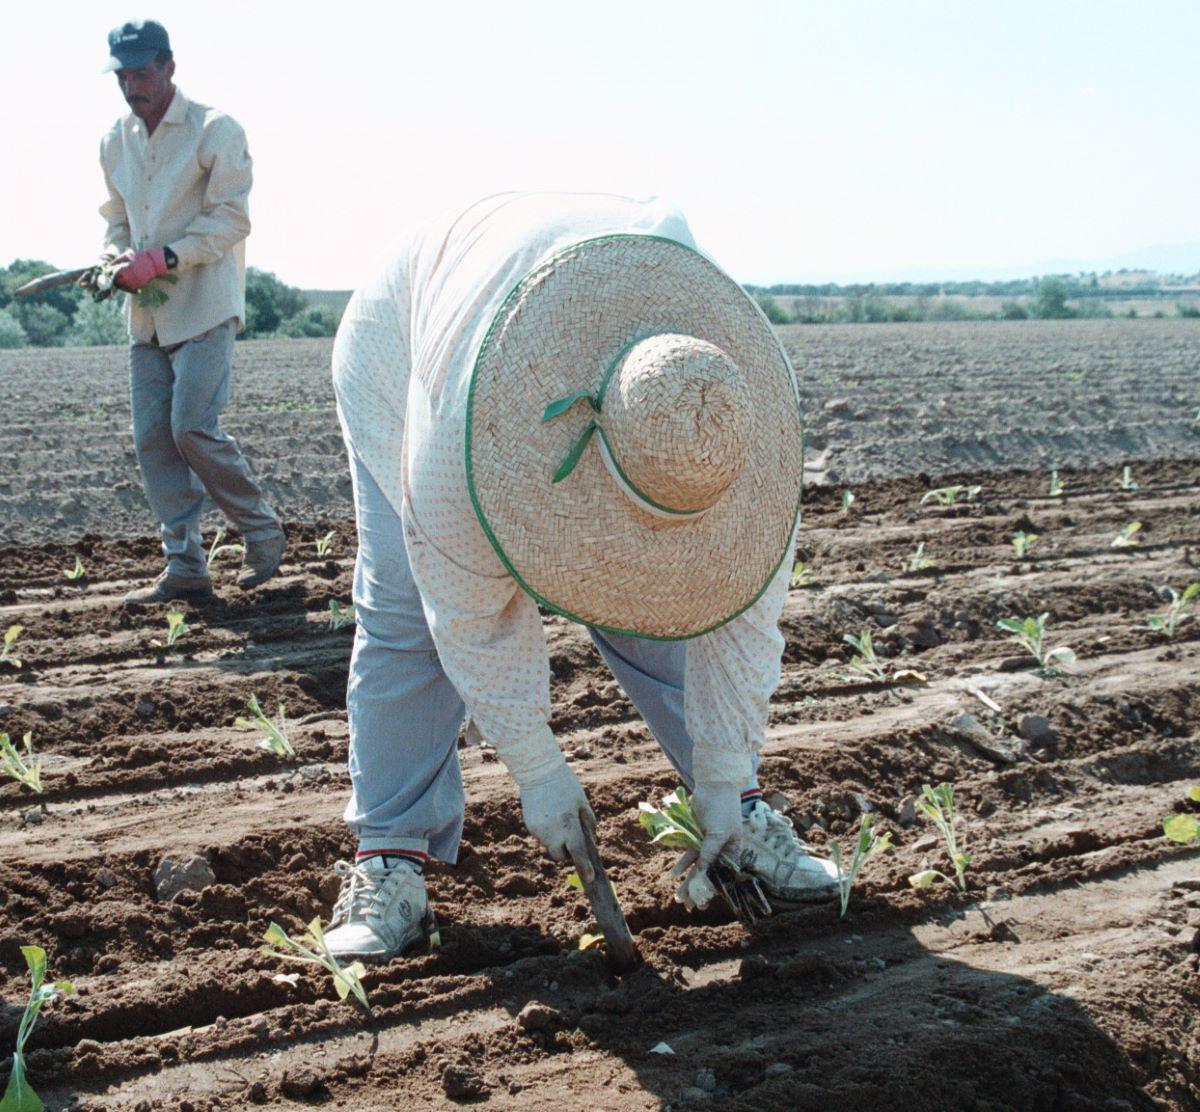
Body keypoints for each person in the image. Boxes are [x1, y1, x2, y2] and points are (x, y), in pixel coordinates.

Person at [324, 192, 837, 962]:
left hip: (592, 353)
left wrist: (725, 777)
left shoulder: (738, 414)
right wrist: (537, 768)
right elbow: (462, 610)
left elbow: (742, 627)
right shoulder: (453, 446)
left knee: (671, 606)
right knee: (403, 617)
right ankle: (388, 860)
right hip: (412, 346)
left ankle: (743, 819)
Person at [96, 19, 286, 604]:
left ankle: (261, 529)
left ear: (169, 67)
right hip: (148, 319)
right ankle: (184, 566)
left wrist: (163, 259)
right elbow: (116, 218)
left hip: (204, 307)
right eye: (123, 77)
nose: (132, 87)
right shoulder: (115, 141)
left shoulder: (215, 130)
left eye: (142, 74)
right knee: (153, 441)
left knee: (191, 428)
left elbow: (232, 218)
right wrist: (112, 259)